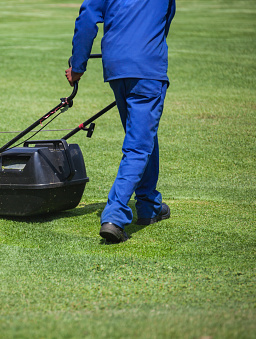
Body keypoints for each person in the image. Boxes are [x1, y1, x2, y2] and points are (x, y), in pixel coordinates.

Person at [65, 0, 176, 243]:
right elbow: (165, 21)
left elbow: (87, 19)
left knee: (144, 137)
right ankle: (114, 215)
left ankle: (148, 205)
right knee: (138, 145)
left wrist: (78, 64)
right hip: (147, 69)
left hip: (117, 68)